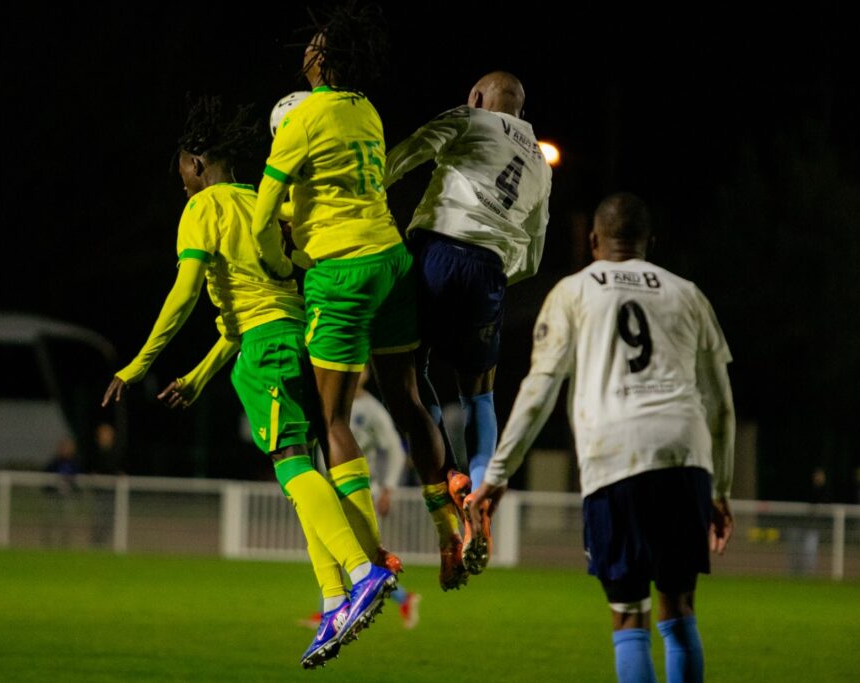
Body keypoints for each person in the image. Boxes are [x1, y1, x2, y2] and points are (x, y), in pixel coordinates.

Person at [100, 95, 395, 669]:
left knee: (289, 464)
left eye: (183, 174)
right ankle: (335, 597)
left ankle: (361, 573)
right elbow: (242, 314)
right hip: (301, 342)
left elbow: (186, 295)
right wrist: (200, 375)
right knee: (304, 463)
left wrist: (137, 365)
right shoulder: (268, 204)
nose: (182, 185)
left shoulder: (204, 206)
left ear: (196, 165)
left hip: (268, 350)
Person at [468, 192, 735, 683]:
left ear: (593, 240)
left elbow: (539, 389)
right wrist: (719, 490)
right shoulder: (687, 293)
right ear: (649, 244)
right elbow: (721, 404)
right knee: (679, 608)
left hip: (616, 456)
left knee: (628, 613)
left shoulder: (573, 292)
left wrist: (500, 473)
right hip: (685, 454)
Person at [251, 3, 467, 592]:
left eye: (312, 46)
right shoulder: (365, 110)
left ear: (321, 60)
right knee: (404, 397)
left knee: (332, 420)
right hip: (392, 260)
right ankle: (448, 527)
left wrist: (282, 260)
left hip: (342, 272)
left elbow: (266, 211)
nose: (305, 52)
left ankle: (371, 561)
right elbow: (342, 188)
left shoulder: (302, 119)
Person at [383, 70, 552, 575]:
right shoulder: (542, 164)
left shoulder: (469, 117)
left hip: (436, 249)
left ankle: (449, 476)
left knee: (406, 373)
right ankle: (479, 487)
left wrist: (371, 187)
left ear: (479, 97)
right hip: (489, 271)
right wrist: (496, 272)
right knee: (479, 392)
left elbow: (411, 150)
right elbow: (535, 255)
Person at [300, 364, 422, 630]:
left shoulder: (372, 410)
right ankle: (398, 599)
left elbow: (396, 450)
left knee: (348, 552)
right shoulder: (328, 401)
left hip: (360, 492)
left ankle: (336, 611)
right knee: (341, 550)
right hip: (331, 488)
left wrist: (389, 488)